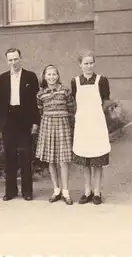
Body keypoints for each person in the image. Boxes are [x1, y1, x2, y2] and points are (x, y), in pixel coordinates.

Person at [0, 48, 40, 201]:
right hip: (9, 120)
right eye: (10, 60)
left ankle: (27, 191)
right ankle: (10, 191)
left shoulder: (30, 76)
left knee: (26, 156)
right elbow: (0, 101)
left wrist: (35, 122)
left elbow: (35, 102)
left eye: (16, 59)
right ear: (7, 61)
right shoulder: (3, 77)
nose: (13, 62)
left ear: (21, 58)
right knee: (9, 157)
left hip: (25, 120)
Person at [71, 50, 113, 205]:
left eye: (91, 63)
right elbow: (76, 103)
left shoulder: (102, 80)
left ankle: (97, 192)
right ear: (80, 65)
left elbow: (106, 102)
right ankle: (87, 191)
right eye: (85, 63)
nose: (89, 66)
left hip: (96, 124)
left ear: (94, 64)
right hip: (82, 125)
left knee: (97, 159)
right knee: (85, 160)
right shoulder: (74, 81)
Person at [35, 64, 75, 205]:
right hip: (47, 126)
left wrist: (65, 121)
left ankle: (66, 191)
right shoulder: (41, 94)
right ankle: (56, 190)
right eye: (49, 75)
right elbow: (40, 111)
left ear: (58, 76)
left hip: (63, 126)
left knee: (63, 160)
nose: (51, 77)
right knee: (51, 160)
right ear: (45, 77)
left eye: (54, 74)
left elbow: (71, 109)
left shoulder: (65, 91)